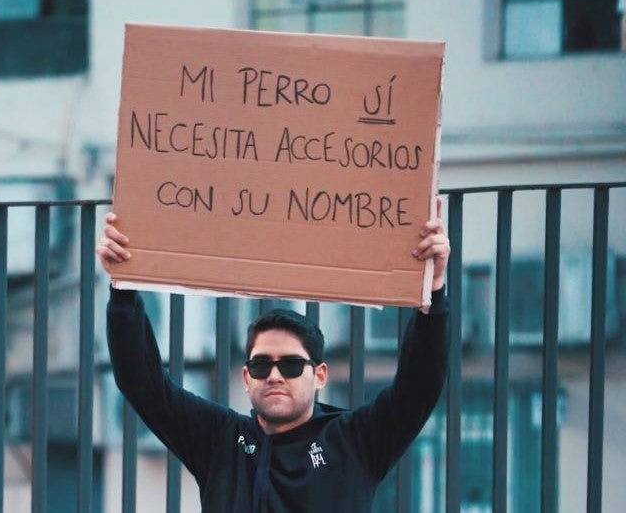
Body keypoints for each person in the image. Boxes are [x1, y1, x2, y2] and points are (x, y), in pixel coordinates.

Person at [96, 200, 450, 513]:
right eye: (261, 365)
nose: (275, 375)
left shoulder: (355, 441)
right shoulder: (220, 441)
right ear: (246, 377)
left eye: (292, 365)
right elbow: (142, 383)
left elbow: (419, 386)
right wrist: (122, 289)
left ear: (320, 375)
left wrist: (433, 291)